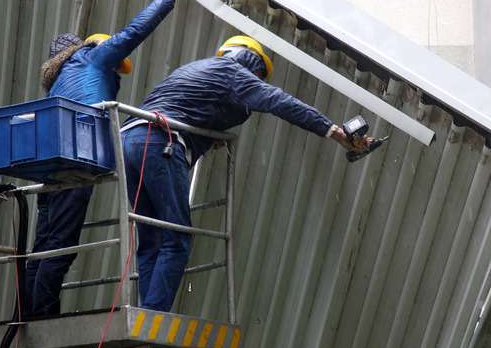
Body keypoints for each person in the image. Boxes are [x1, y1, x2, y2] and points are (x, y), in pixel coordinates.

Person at [120, 35, 374, 312]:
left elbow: (191, 106)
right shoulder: (233, 72)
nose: (258, 80)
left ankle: (145, 313)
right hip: (160, 143)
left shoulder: (196, 69)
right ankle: (153, 316)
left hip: (129, 139)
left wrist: (208, 136)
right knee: (177, 239)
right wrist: (335, 131)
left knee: (151, 240)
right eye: (259, 75)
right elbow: (280, 102)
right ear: (250, 60)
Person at [25, 0, 203, 318]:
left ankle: (27, 321)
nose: (116, 77)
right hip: (76, 161)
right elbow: (135, 31)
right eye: (115, 70)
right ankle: (42, 321)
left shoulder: (58, 83)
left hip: (49, 167)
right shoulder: (92, 57)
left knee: (42, 248)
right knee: (59, 247)